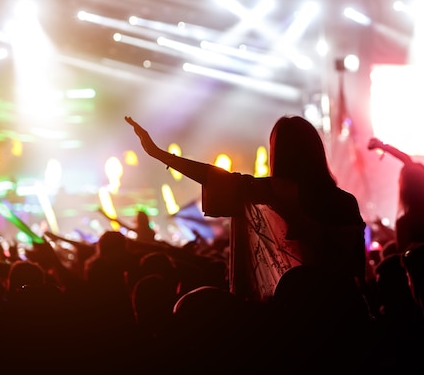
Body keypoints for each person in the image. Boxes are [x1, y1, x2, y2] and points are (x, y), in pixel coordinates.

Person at [126, 115, 367, 302]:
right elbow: (358, 270)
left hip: (297, 315)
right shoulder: (345, 201)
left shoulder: (272, 193)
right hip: (344, 313)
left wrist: (159, 154)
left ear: (278, 153)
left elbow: (213, 177)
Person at [367, 137, 424, 262]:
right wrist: (383, 146)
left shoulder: (405, 223)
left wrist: (383, 146)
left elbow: (404, 258)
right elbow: (407, 161)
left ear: (403, 188)